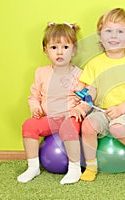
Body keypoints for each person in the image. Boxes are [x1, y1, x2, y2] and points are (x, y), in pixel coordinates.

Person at [79, 8, 125, 182]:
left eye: (120, 32)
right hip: (100, 110)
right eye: (108, 31)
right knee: (87, 126)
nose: (114, 36)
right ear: (100, 36)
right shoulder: (94, 64)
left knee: (117, 127)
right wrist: (83, 99)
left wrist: (121, 108)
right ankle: (91, 165)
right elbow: (91, 89)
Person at [17, 22, 89, 184]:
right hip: (49, 119)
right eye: (54, 47)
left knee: (68, 126)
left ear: (74, 50)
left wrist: (80, 108)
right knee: (29, 125)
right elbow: (33, 96)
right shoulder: (41, 73)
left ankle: (75, 168)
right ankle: (33, 166)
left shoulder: (79, 74)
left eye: (65, 47)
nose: (60, 52)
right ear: (46, 50)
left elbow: (88, 98)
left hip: (69, 118)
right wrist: (36, 108)